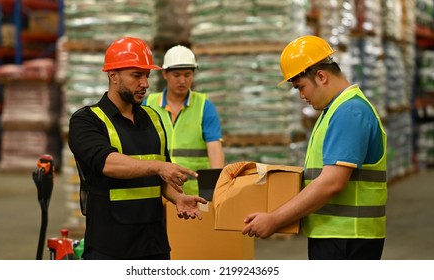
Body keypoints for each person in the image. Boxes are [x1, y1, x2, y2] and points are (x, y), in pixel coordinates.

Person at [242, 35, 387, 260]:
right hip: (337, 235)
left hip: (348, 239)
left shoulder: (349, 112)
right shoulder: (335, 111)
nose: (302, 96)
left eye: (301, 87)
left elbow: (331, 182)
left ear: (321, 76)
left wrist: (275, 219)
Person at [68, 36, 207, 260]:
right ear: (113, 76)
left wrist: (177, 198)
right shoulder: (87, 120)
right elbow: (107, 163)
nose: (145, 83)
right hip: (110, 249)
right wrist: (158, 167)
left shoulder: (153, 118)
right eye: (136, 75)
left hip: (154, 246)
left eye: (147, 75)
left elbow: (162, 177)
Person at [143, 45, 225, 195]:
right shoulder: (148, 105)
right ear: (164, 74)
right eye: (176, 75)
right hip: (158, 192)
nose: (182, 80)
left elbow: (215, 150)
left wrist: (215, 190)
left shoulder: (204, 106)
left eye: (188, 75)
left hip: (194, 194)